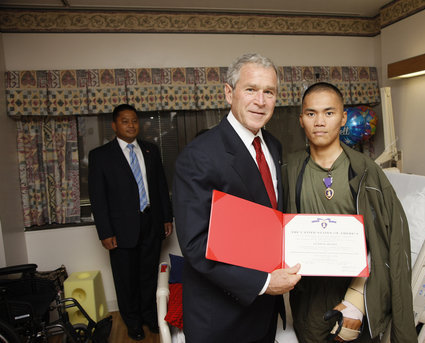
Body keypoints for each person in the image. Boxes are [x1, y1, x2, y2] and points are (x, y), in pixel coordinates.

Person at [172, 53, 302, 343]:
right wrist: (265, 282)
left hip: (264, 313)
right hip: (221, 318)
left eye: (269, 92)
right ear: (229, 93)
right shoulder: (199, 156)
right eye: (251, 89)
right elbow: (196, 244)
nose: (261, 100)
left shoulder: (273, 146)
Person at [283, 82, 417, 343]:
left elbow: (391, 243)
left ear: (343, 118)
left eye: (329, 113)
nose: (319, 122)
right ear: (301, 120)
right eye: (311, 114)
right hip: (309, 298)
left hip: (359, 296)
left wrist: (356, 302)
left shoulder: (368, 173)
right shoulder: (290, 169)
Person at [88, 104, 173, 341]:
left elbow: (160, 186)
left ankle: (149, 316)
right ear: (114, 126)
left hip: (151, 222)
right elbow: (98, 198)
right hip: (120, 228)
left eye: (134, 120)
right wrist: (105, 231)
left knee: (148, 275)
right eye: (125, 121)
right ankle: (132, 322)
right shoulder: (100, 156)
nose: (131, 125)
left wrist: (166, 216)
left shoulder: (150, 150)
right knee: (126, 279)